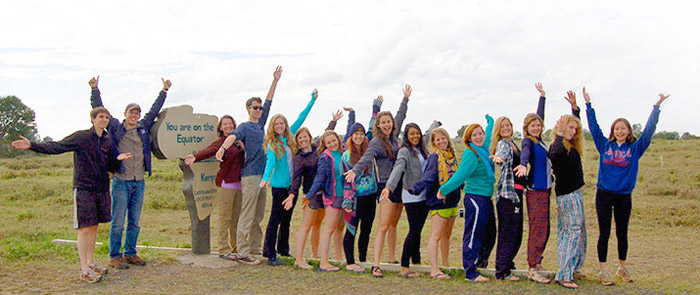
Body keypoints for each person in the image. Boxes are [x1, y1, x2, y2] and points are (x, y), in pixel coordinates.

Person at [11, 107, 131, 283]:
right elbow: (58, 146)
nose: (104, 120)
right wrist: (32, 145)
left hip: (102, 189)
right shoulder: (81, 137)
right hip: (84, 189)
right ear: (93, 119)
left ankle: (91, 263)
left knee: (94, 226)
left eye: (106, 117)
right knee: (84, 228)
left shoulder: (107, 140)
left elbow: (110, 163)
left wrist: (118, 159)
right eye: (100, 117)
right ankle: (84, 269)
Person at [584, 88, 670, 285]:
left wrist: (656, 107)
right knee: (604, 232)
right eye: (617, 128)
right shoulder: (605, 145)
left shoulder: (635, 149)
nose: (620, 131)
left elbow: (648, 131)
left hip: (624, 196)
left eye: (623, 128)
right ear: (613, 131)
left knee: (622, 232)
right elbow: (594, 127)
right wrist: (588, 105)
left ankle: (622, 267)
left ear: (629, 131)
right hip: (604, 194)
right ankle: (603, 270)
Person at [89, 75, 169, 269]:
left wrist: (164, 91)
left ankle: (131, 253)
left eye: (136, 113)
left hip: (139, 181)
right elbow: (101, 110)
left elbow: (154, 110)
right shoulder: (116, 127)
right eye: (131, 113)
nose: (134, 116)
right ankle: (115, 255)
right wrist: (94, 90)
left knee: (135, 221)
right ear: (125, 114)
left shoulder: (143, 127)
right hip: (121, 181)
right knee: (118, 221)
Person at [216, 66, 283, 265]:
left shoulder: (261, 125)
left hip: (263, 178)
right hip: (250, 176)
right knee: (247, 213)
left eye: (260, 108)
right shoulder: (244, 127)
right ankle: (243, 252)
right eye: (255, 107)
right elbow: (232, 137)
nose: (258, 110)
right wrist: (222, 149)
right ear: (248, 109)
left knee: (258, 215)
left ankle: (255, 248)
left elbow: (270, 101)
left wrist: (275, 81)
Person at [513, 82, 580, 283]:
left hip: (545, 190)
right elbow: (525, 154)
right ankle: (532, 268)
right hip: (535, 191)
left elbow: (538, 117)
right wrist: (523, 165)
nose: (536, 127)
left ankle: (538, 261)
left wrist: (542, 97)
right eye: (532, 125)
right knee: (538, 228)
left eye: (538, 125)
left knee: (545, 228)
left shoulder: (540, 140)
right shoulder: (527, 141)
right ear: (526, 128)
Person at [344, 85, 412, 278]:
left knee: (393, 224)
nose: (387, 125)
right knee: (383, 225)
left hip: (399, 184)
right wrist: (354, 171)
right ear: (378, 125)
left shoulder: (394, 136)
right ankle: (376, 265)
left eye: (388, 122)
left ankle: (391, 259)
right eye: (383, 122)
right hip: (384, 186)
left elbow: (401, 115)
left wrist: (405, 99)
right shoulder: (375, 141)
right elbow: (366, 158)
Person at [259, 89, 318, 265]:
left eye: (281, 123)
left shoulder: (290, 137)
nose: (279, 126)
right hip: (278, 187)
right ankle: (269, 253)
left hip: (292, 188)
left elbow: (301, 118)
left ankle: (283, 250)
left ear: (285, 125)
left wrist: (312, 101)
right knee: (275, 220)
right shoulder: (272, 143)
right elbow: (270, 162)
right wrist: (265, 178)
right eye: (276, 124)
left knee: (286, 221)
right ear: (272, 126)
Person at [438, 115, 494, 282]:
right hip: (475, 198)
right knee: (474, 234)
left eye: (480, 133)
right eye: (474, 135)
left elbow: (490, 136)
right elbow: (460, 175)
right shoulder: (471, 153)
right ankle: (470, 271)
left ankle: (480, 264)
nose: (479, 137)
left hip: (486, 198)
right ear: (468, 138)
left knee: (490, 233)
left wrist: (490, 123)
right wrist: (444, 189)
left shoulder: (483, 149)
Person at [287, 110, 343, 269]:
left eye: (305, 136)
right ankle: (299, 258)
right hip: (311, 195)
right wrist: (293, 194)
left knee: (318, 225)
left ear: (310, 138)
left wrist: (333, 122)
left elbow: (328, 137)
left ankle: (315, 255)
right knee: (306, 225)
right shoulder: (299, 158)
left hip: (324, 194)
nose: (303, 139)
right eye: (300, 137)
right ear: (297, 141)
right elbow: (297, 179)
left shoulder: (317, 149)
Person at [184, 115, 245, 261]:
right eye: (225, 124)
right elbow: (209, 150)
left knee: (236, 219)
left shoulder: (240, 141)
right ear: (220, 128)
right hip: (226, 184)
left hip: (240, 184)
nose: (228, 126)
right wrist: (195, 156)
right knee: (225, 217)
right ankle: (223, 249)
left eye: (230, 123)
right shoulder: (221, 143)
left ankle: (236, 247)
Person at [383, 122, 439, 277]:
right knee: (414, 230)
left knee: (418, 229)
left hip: (424, 194)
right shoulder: (404, 151)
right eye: (412, 134)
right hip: (411, 195)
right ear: (406, 136)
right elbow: (399, 168)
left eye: (417, 133)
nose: (415, 136)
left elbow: (428, 134)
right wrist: (389, 187)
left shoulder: (422, 148)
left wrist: (435, 123)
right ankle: (404, 266)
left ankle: (416, 261)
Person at [409, 127, 460, 280]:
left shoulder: (452, 157)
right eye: (437, 140)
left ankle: (445, 265)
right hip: (439, 201)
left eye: (443, 138)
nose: (441, 141)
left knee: (447, 235)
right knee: (436, 235)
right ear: (434, 143)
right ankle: (435, 269)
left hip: (453, 200)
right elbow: (429, 176)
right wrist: (416, 188)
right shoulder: (434, 158)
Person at [547, 91, 586, 289]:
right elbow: (554, 155)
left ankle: (573, 267)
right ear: (561, 128)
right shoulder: (557, 146)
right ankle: (564, 274)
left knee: (577, 232)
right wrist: (562, 131)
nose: (573, 131)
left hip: (575, 193)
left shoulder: (570, 143)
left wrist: (575, 109)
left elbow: (575, 126)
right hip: (568, 195)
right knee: (571, 232)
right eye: (570, 127)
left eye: (575, 128)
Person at [341, 100, 382, 273]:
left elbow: (373, 127)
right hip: (355, 199)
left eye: (361, 134)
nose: (359, 136)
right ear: (351, 137)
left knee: (366, 230)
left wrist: (376, 108)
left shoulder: (369, 149)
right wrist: (348, 202)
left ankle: (363, 260)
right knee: (351, 230)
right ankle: (350, 262)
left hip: (370, 196)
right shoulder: (346, 156)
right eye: (355, 134)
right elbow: (347, 181)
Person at [305, 131, 354, 272]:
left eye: (334, 141)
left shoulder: (343, 152)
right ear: (325, 144)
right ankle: (324, 262)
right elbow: (319, 178)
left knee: (340, 228)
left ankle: (339, 258)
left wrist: (351, 113)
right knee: (329, 229)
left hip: (344, 196)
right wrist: (309, 195)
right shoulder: (325, 157)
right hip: (332, 197)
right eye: (329, 142)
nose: (332, 144)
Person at [490, 116, 525, 281]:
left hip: (517, 194)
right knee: (507, 232)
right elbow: (501, 154)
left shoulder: (514, 143)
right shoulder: (503, 144)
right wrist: (499, 158)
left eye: (508, 125)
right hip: (506, 194)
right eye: (502, 126)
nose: (506, 128)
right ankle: (502, 271)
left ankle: (508, 262)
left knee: (517, 232)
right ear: (498, 129)